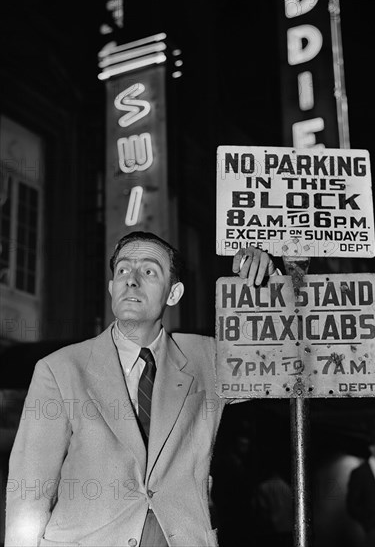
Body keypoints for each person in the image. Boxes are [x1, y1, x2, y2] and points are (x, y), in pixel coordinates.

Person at [5, 230, 279, 547]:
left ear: (173, 293)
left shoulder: (208, 358)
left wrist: (270, 285)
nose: (131, 280)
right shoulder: (60, 368)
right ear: (111, 288)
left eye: (149, 271)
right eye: (123, 270)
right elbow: (30, 487)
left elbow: (283, 361)